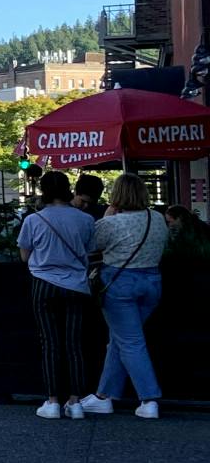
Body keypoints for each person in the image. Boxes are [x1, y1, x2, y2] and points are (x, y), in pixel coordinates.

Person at [77, 173, 168, 419]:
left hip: (120, 284)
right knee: (121, 340)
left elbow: (89, 246)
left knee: (130, 342)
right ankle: (104, 396)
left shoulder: (110, 224)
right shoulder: (157, 219)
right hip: (152, 283)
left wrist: (106, 217)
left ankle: (149, 399)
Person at [17, 170, 94, 420]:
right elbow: (89, 250)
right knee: (75, 344)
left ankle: (52, 401)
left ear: (43, 190)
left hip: (44, 283)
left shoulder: (34, 220)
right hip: (76, 285)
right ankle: (76, 401)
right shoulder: (85, 219)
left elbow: (25, 256)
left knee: (49, 342)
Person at [163, 204, 210, 271]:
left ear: (179, 218)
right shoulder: (201, 225)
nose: (169, 225)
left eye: (170, 221)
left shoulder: (185, 232)